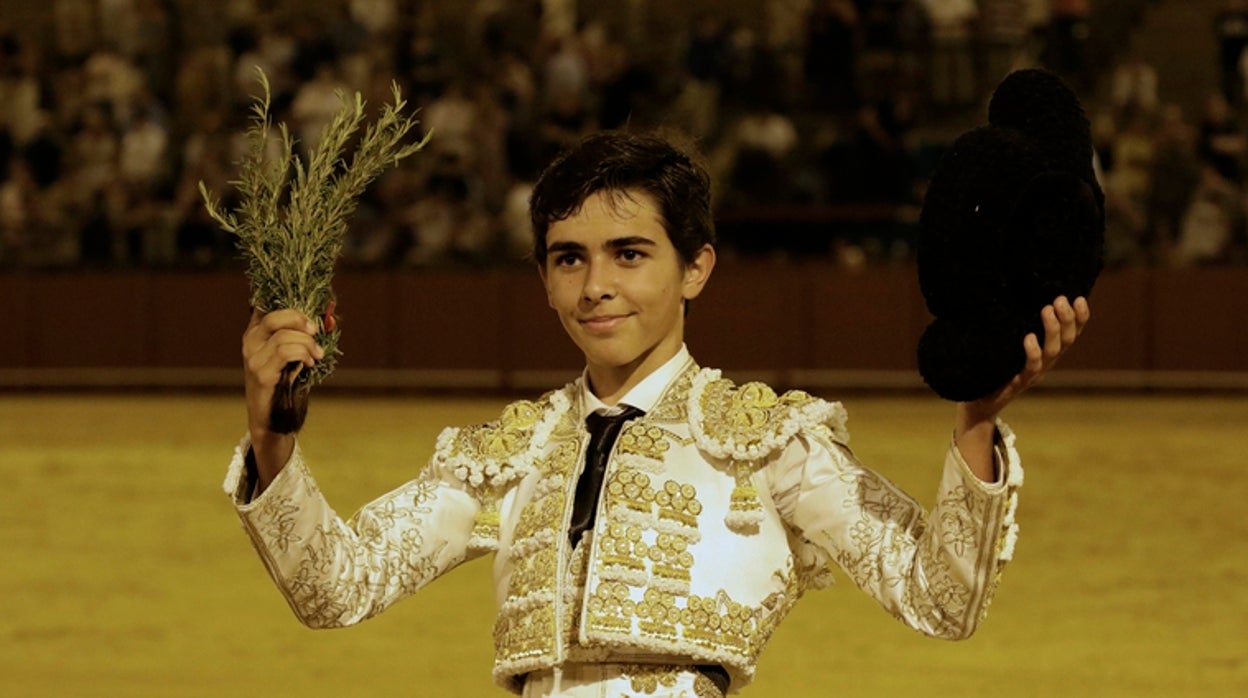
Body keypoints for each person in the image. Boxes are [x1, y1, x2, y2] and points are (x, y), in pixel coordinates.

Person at [225, 130, 1089, 696]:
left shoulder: (771, 441)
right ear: (544, 281)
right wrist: (273, 436)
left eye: (629, 254)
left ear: (696, 267)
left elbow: (940, 598)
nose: (596, 285)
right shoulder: (506, 453)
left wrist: (976, 420)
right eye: (569, 259)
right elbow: (334, 588)